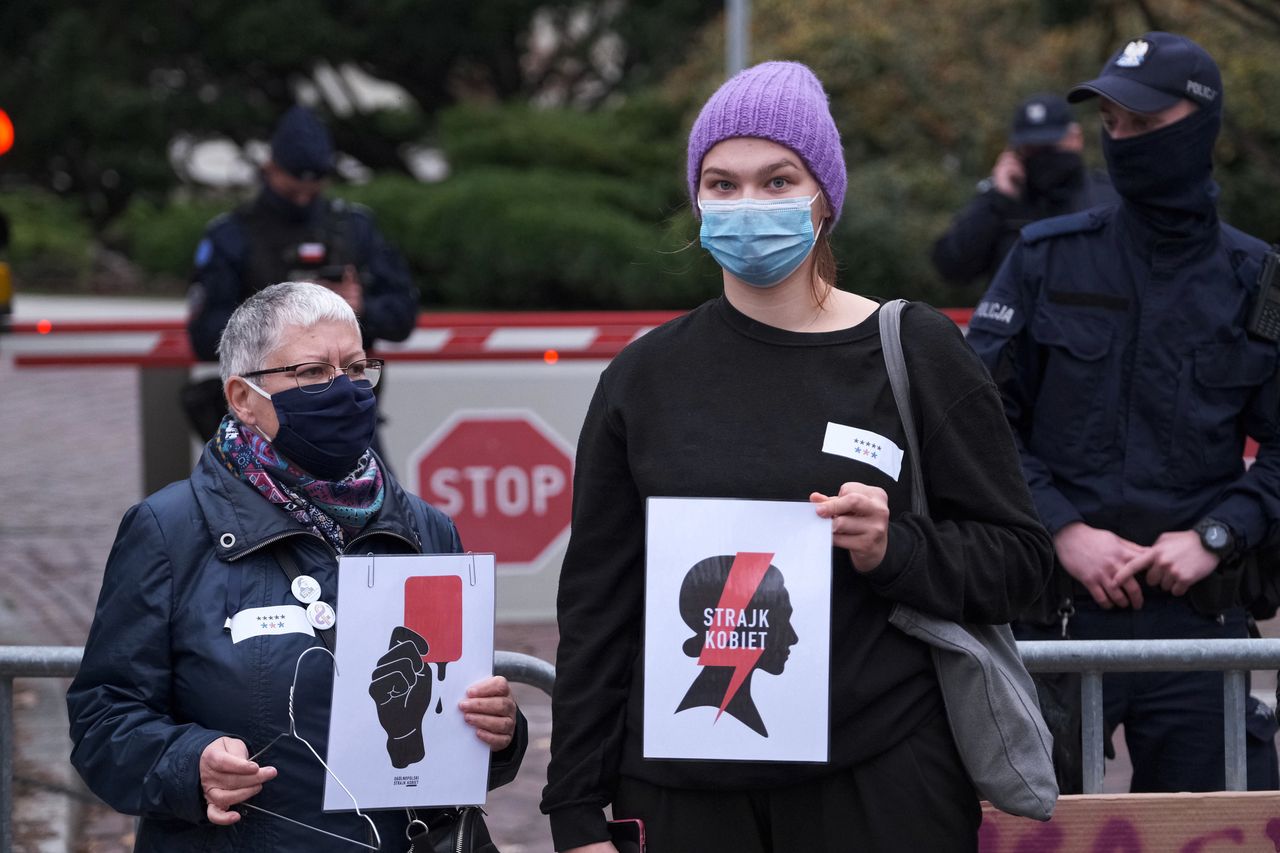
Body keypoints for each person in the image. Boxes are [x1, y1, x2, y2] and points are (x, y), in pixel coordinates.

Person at [540, 61, 1053, 853]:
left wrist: (895, 546)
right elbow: (599, 608)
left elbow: (1020, 563)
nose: (748, 204)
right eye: (723, 182)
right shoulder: (643, 378)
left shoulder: (913, 351)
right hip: (685, 793)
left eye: (778, 179)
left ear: (824, 197)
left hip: (880, 785)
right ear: (697, 197)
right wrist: (574, 811)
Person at [67, 281, 527, 851]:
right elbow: (102, 723)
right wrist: (191, 765)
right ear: (241, 397)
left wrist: (498, 732)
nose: (345, 390)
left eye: (357, 369)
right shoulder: (169, 531)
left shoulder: (424, 527)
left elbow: (449, 735)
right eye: (313, 373)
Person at [965, 31, 1280, 794]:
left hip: (1198, 622)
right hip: (1052, 616)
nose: (1123, 141)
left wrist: (1217, 534)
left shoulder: (1255, 279)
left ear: (1199, 125)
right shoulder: (1045, 257)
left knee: (1215, 831)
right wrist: (1064, 529)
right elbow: (976, 421)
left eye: (1143, 123)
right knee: (1020, 830)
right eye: (1111, 124)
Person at [183, 105, 419, 442]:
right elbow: (204, 336)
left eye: (315, 184)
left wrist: (359, 307)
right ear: (270, 169)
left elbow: (403, 317)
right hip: (266, 428)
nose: (304, 196)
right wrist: (278, 313)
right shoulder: (232, 235)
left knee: (382, 496)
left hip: (347, 422)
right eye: (293, 187)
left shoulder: (355, 228)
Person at [931, 93, 1115, 288]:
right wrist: (996, 200)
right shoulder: (1001, 203)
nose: (1041, 158)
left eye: (1049, 147)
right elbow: (951, 266)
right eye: (1031, 149)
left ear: (1075, 138)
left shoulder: (1109, 196)